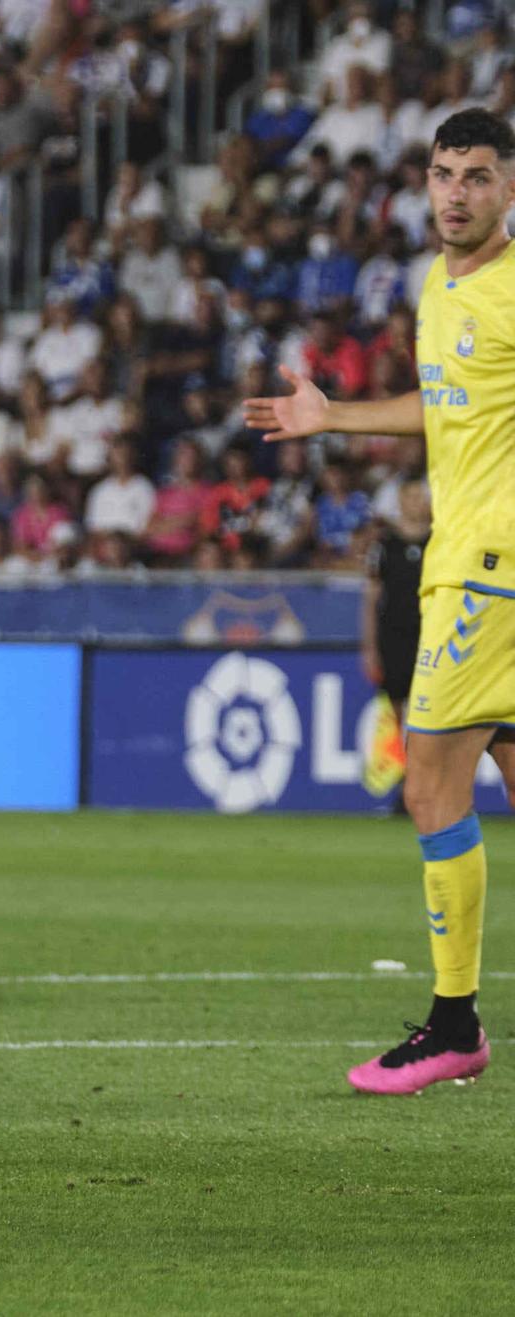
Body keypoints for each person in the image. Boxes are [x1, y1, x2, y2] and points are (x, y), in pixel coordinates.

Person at [244, 109, 515, 1095]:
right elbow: (442, 409)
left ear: (507, 188)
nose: (454, 192)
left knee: (428, 786)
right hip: (468, 558)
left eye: (476, 177)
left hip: (488, 569)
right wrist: (333, 417)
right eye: (442, 174)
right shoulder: (436, 289)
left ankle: (453, 1027)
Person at [363, 481, 432, 796]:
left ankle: (423, 782)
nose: (416, 503)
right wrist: (369, 647)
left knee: (427, 712)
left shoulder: (440, 540)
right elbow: (371, 597)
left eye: (421, 497)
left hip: (431, 637)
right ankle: (397, 780)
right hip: (393, 638)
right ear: (400, 501)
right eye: (410, 496)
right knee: (394, 712)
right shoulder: (385, 545)